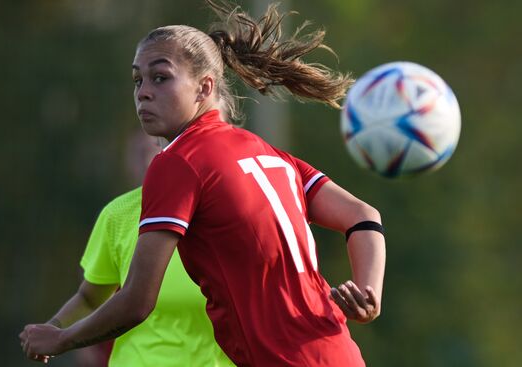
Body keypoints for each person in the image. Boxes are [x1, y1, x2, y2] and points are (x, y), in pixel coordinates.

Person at [20, 1, 386, 366]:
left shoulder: (179, 162)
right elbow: (363, 216)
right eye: (137, 80)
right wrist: (369, 292)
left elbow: (137, 301)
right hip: (338, 352)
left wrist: (62, 337)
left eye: (160, 77)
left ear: (204, 87)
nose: (143, 92)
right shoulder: (272, 155)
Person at [25, 133, 233, 366]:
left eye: (150, 151)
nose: (145, 160)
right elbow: (90, 297)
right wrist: (54, 328)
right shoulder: (118, 214)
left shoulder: (234, 212)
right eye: (138, 153)